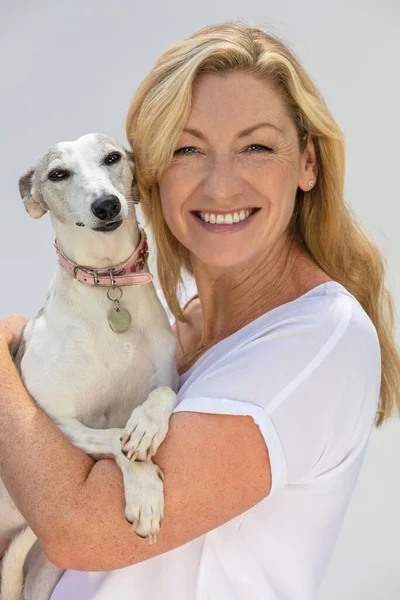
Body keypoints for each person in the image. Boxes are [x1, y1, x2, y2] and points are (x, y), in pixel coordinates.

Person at [0, 20, 399, 600]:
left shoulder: (319, 338)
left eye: (256, 147)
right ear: (151, 175)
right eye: (188, 149)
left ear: (308, 163)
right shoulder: (171, 326)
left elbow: (81, 530)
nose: (220, 185)